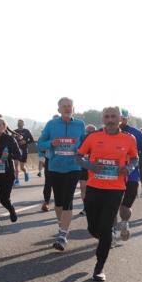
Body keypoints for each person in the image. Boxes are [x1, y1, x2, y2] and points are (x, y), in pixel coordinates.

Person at [76, 106, 139, 282]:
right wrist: (90, 166)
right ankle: (106, 236)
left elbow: (135, 158)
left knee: (104, 228)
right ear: (103, 119)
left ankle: (99, 268)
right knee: (93, 228)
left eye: (113, 117)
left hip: (115, 189)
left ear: (120, 119)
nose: (110, 120)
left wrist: (128, 168)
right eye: (107, 117)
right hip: (94, 187)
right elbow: (78, 157)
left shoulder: (129, 139)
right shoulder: (93, 137)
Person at [37, 98, 87, 251]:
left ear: (73, 108)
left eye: (69, 106)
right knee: (58, 202)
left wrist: (82, 151)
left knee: (67, 199)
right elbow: (40, 144)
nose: (67, 108)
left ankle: (63, 235)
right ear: (59, 109)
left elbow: (84, 144)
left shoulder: (80, 124)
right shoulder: (51, 124)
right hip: (55, 167)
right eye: (64, 106)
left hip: (73, 168)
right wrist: (51, 144)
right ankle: (62, 227)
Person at [115, 109, 142, 242]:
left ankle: (124, 223)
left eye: (123, 118)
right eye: (118, 118)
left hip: (131, 175)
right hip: (112, 175)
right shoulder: (105, 132)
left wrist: (130, 156)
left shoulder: (136, 133)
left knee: (125, 207)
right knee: (112, 206)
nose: (120, 121)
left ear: (127, 119)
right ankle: (112, 234)